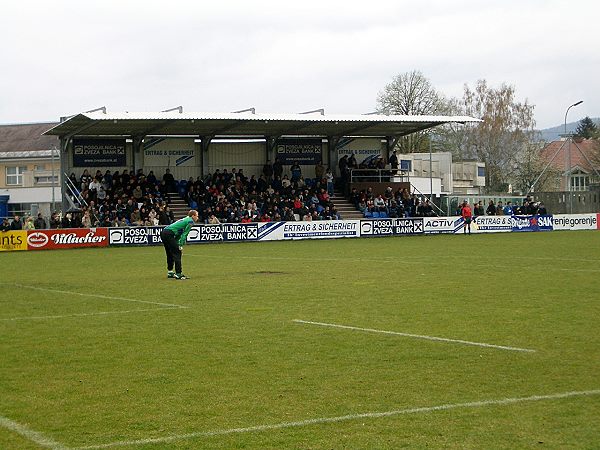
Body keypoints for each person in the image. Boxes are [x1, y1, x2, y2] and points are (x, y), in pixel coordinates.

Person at [160, 209, 199, 280]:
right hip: (169, 234)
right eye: (197, 216)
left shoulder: (186, 219)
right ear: (193, 216)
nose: (197, 218)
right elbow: (185, 234)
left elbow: (179, 233)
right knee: (177, 252)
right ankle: (178, 273)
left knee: (170, 253)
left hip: (164, 232)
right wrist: (180, 245)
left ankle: (170, 272)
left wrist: (178, 243)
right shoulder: (190, 221)